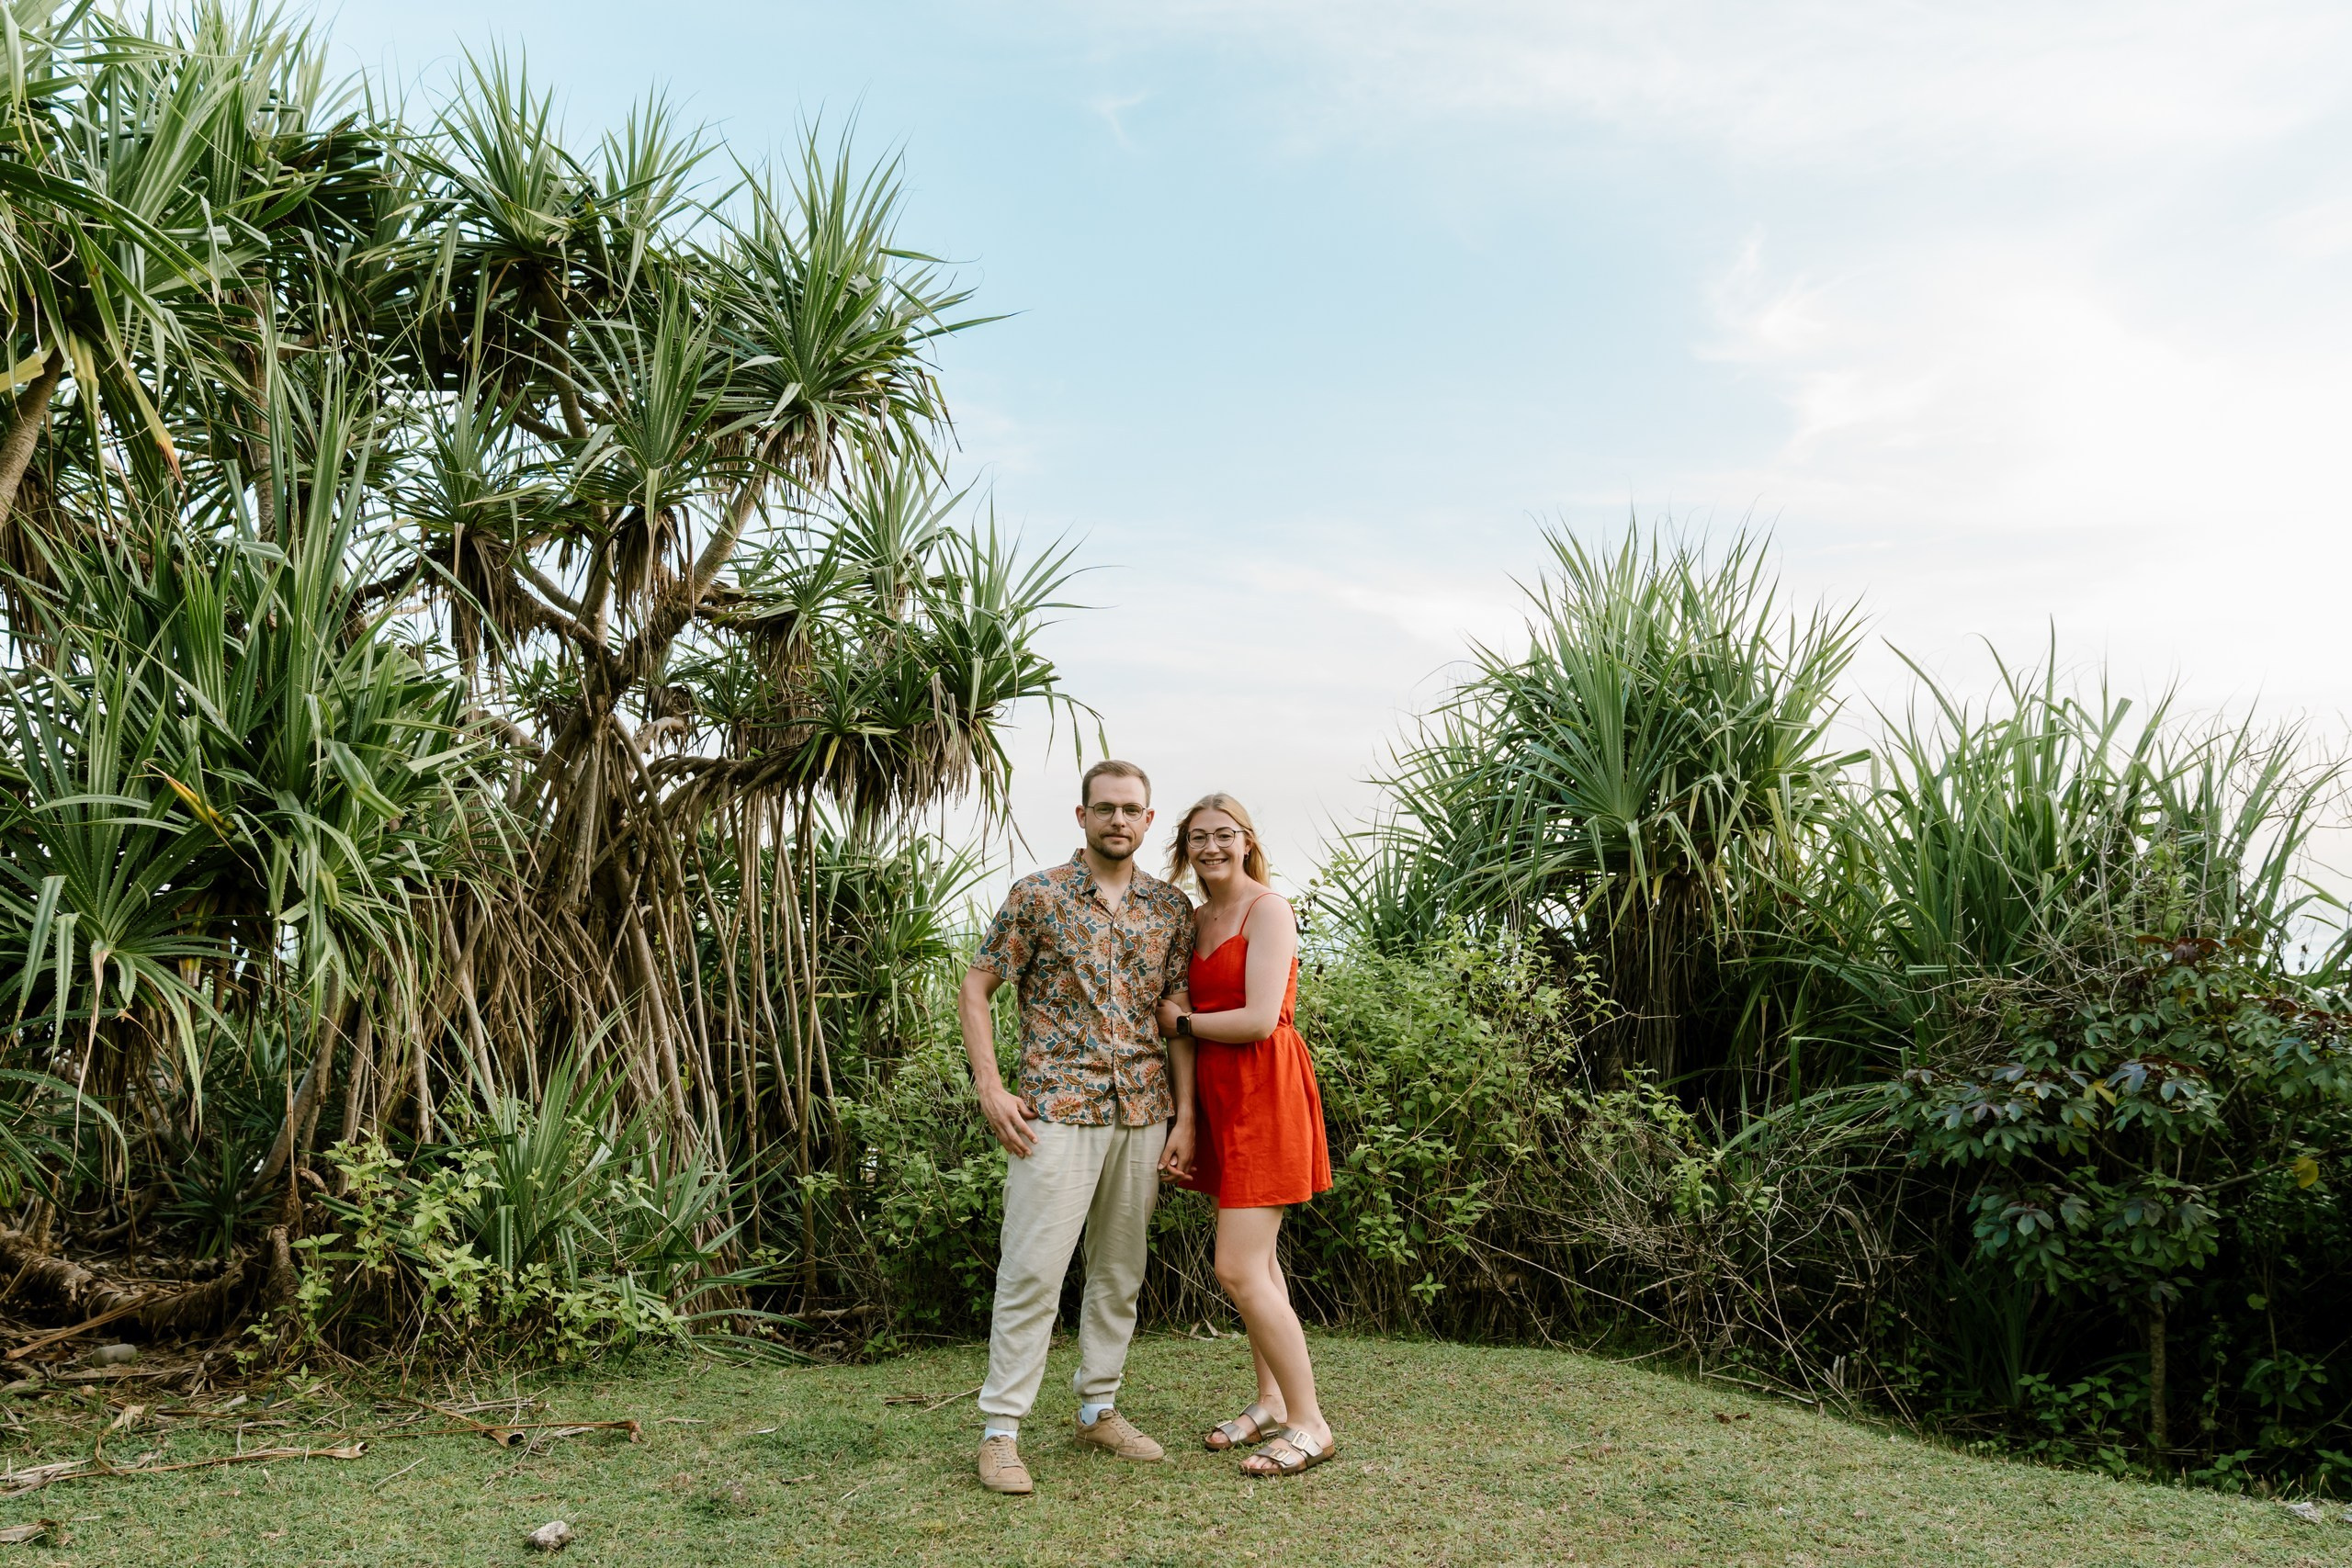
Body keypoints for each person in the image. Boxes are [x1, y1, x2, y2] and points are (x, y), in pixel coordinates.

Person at [960, 759, 1197, 1496]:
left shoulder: (1170, 909)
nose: (1118, 820)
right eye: (1105, 808)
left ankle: (1099, 1406)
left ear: (1149, 821)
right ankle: (1001, 1432)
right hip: (1056, 1110)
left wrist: (1186, 1114)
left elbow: (1177, 1015)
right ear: (1082, 814)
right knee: (1033, 1267)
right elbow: (977, 984)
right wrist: (990, 1086)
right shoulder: (1038, 896)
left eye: (1132, 809)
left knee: (1120, 1270)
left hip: (1144, 1110)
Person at [1157, 793, 1337, 1477]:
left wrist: (1181, 1023)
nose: (1211, 847)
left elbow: (1261, 1018)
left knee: (1235, 1265)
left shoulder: (1270, 909)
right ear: (1184, 846)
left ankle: (1310, 1422)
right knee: (1258, 1265)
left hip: (1266, 1090)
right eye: (1198, 837)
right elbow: (1181, 1017)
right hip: (1218, 1096)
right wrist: (1188, 1117)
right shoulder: (1195, 918)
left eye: (1223, 834)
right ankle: (1268, 1401)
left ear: (1247, 839)